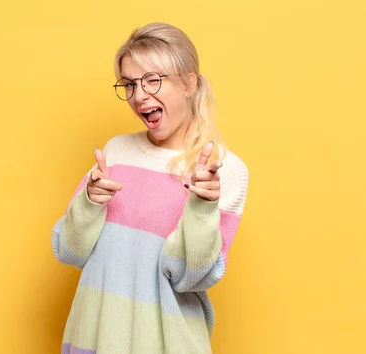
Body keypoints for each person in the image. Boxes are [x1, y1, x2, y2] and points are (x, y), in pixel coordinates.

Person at [51, 22, 249, 354]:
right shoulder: (115, 152)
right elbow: (69, 250)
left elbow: (190, 277)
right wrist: (88, 204)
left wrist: (201, 209)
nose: (139, 95)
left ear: (189, 82)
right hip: (93, 340)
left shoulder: (225, 171)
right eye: (129, 84)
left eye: (152, 80)